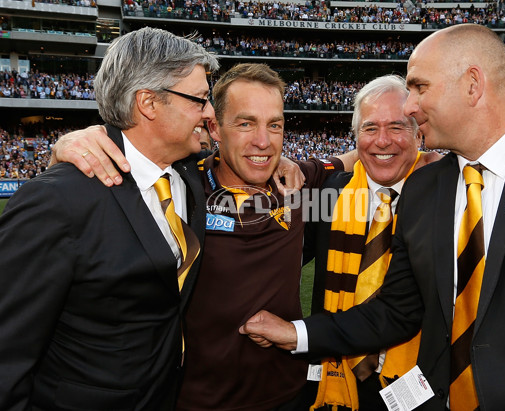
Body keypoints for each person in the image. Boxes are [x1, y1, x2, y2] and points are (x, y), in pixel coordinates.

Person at [240, 24, 505, 411]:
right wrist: (295, 333)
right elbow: (397, 311)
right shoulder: (425, 188)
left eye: (420, 88)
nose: (410, 105)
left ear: (472, 84)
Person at [50, 62, 357, 410]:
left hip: (286, 394)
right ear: (214, 128)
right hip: (192, 399)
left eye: (275, 125)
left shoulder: (296, 181)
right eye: (245, 123)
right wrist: (71, 142)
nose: (263, 140)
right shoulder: (180, 184)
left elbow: (351, 157)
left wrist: (417, 154)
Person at [0, 27, 219, 410]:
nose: (210, 113)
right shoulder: (55, 200)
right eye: (200, 99)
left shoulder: (188, 176)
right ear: (148, 102)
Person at [301, 74, 441, 410]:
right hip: (333, 375)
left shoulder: (447, 197)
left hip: (414, 382)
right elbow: (278, 253)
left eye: (396, 127)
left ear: (418, 133)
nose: (382, 141)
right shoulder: (329, 192)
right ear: (356, 136)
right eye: (370, 128)